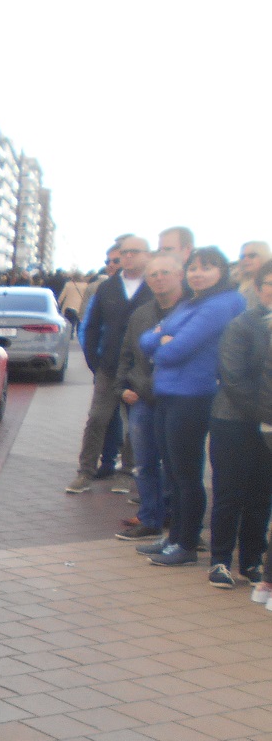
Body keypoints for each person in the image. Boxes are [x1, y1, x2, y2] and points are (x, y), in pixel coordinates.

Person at [138, 247, 246, 567]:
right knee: (171, 471)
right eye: (194, 268)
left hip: (193, 395)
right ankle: (173, 538)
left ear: (222, 272)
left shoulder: (224, 303)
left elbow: (177, 350)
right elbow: (146, 342)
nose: (198, 273)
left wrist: (163, 339)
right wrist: (162, 339)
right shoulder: (191, 302)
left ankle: (186, 543)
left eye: (207, 268)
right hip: (167, 393)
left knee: (186, 473)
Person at [205, 259, 272, 587]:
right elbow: (233, 378)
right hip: (234, 421)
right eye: (269, 283)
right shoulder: (242, 325)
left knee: (262, 495)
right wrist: (266, 416)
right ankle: (219, 560)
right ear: (259, 289)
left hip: (268, 426)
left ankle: (250, 561)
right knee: (230, 493)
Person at [69, 236, 152, 493]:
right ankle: (85, 471)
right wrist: (94, 361)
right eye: (123, 253)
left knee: (134, 423)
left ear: (146, 255)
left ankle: (127, 472)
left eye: (133, 252)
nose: (127, 257)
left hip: (140, 368)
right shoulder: (108, 288)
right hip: (108, 366)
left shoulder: (153, 286)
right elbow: (91, 326)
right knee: (97, 418)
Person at [116, 254, 185, 542]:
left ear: (179, 275)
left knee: (178, 465)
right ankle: (150, 518)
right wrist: (122, 387)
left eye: (165, 272)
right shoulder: (141, 314)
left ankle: (178, 518)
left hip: (180, 399)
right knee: (144, 463)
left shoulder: (192, 313)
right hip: (142, 397)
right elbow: (127, 354)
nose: (158, 278)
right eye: (153, 274)